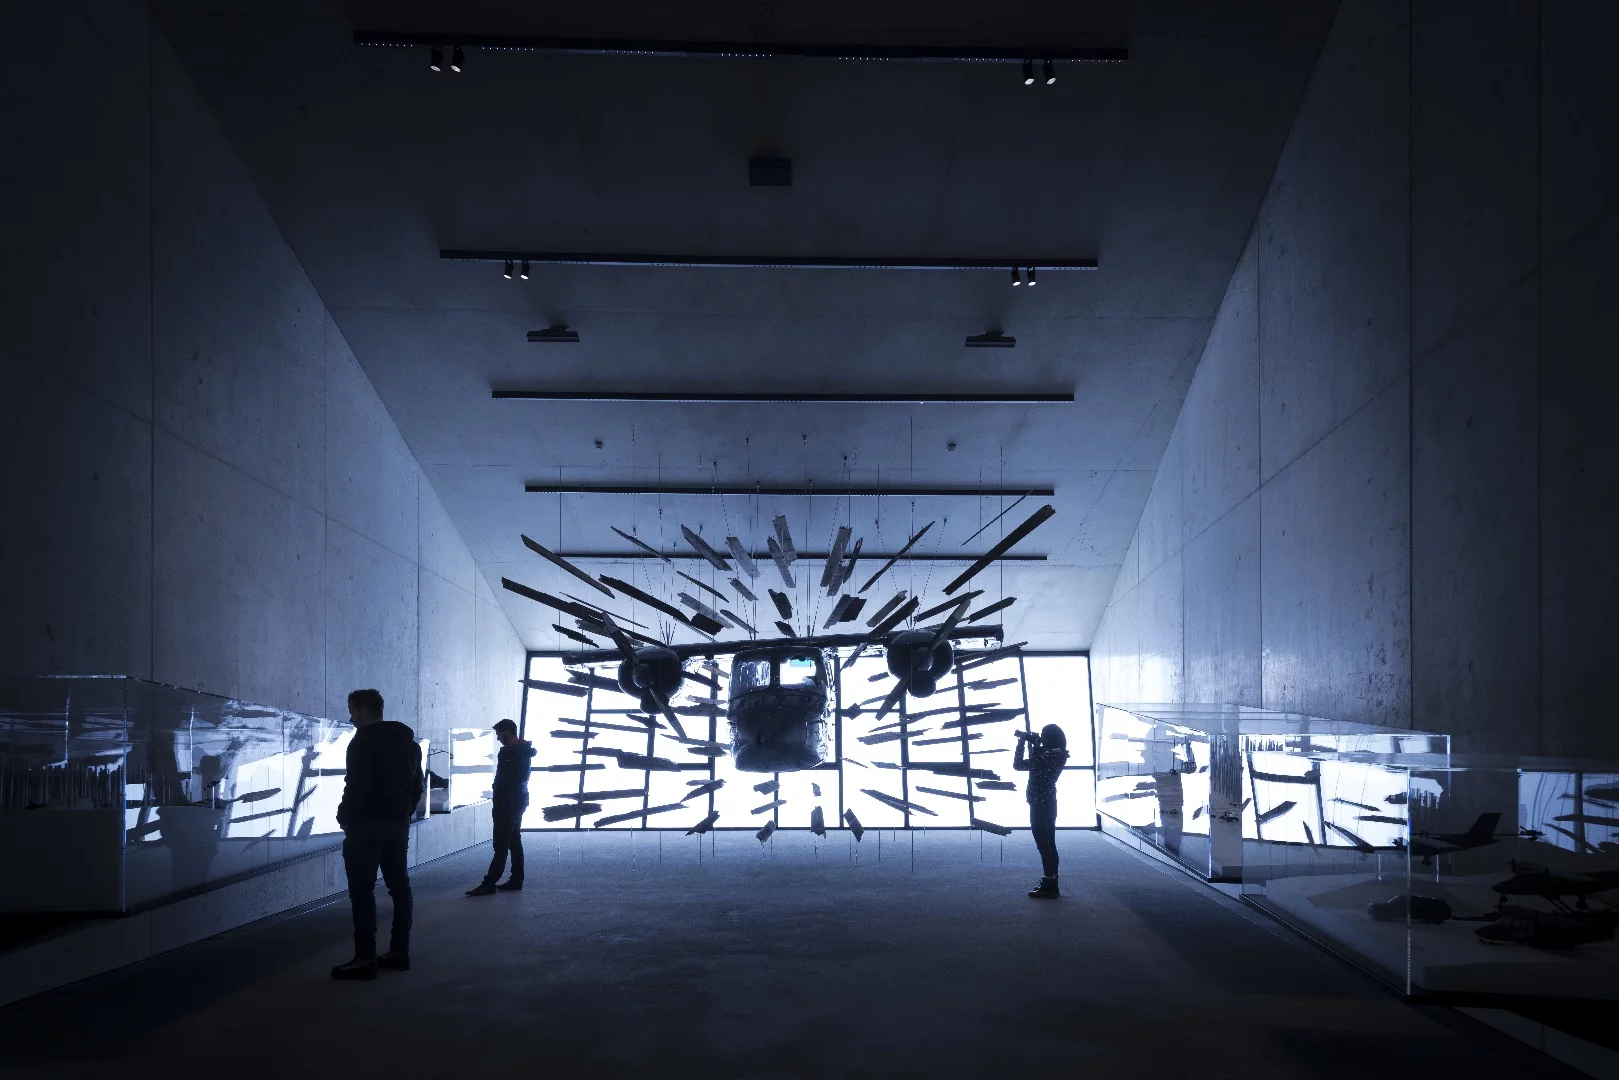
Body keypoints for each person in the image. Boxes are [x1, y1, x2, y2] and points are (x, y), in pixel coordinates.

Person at [331, 689, 423, 980]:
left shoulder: (362, 743)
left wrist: (344, 817)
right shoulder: (409, 744)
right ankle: (399, 951)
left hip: (366, 826)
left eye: (352, 710)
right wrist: (402, 814)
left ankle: (364, 959)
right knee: (399, 886)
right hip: (397, 825)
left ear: (366, 712)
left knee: (362, 892)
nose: (350, 717)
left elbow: (356, 786)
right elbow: (417, 786)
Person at [466, 718, 535, 896]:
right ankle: (516, 880)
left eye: (499, 734)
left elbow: (505, 781)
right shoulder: (524, 749)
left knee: (501, 843)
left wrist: (496, 796)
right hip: (520, 799)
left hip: (507, 803)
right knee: (514, 841)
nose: (497, 738)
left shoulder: (509, 753)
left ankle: (489, 883)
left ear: (506, 732)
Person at [1013, 724, 1069, 899]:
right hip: (1049, 802)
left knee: (1043, 845)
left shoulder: (1048, 755)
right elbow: (1022, 765)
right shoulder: (1057, 753)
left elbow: (1021, 765)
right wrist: (1027, 743)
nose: (1041, 738)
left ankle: (1048, 885)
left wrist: (1027, 743)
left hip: (1039, 803)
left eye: (1043, 735)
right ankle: (1053, 882)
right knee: (1050, 844)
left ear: (1050, 738)